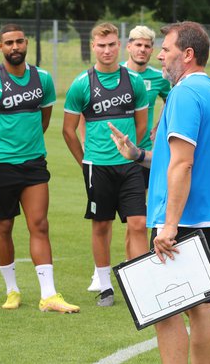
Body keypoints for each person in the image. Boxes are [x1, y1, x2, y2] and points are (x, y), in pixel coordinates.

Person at [109, 21, 210, 363]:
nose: (159, 56)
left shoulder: (184, 93)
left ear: (187, 54)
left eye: (166, 49)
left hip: (184, 216)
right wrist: (137, 154)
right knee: (200, 304)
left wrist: (169, 226)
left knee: (165, 308)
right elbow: (179, 157)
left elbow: (182, 165)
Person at [0, 24, 79, 314]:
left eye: (19, 41)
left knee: (39, 224)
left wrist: (27, 145)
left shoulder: (43, 79)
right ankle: (12, 290)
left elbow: (44, 119)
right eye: (9, 43)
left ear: (27, 43)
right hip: (2, 164)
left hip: (33, 163)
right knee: (4, 225)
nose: (14, 47)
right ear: (0, 47)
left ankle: (49, 295)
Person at [62, 22, 149, 306]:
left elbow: (141, 123)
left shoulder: (134, 81)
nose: (107, 50)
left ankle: (138, 284)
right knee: (101, 225)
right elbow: (68, 130)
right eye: (101, 45)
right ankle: (105, 286)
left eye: (112, 44)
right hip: (96, 167)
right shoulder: (81, 84)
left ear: (120, 45)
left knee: (138, 223)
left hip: (129, 165)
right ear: (93, 47)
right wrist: (84, 160)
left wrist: (131, 149)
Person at [86, 25, 170, 293]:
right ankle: (105, 274)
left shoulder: (159, 78)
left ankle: (133, 269)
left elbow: (174, 101)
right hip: (116, 157)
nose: (142, 50)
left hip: (146, 156)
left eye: (148, 46)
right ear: (129, 46)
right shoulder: (116, 73)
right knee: (120, 217)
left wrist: (161, 124)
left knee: (137, 218)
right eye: (138, 45)